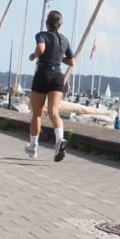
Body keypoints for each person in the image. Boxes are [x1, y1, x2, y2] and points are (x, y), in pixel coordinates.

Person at [25, 10, 75, 161]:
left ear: (47, 23)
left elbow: (41, 49)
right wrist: (59, 57)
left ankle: (33, 147)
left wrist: (34, 55)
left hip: (43, 74)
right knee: (54, 112)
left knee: (37, 113)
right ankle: (59, 140)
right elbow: (72, 62)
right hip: (58, 77)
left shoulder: (42, 35)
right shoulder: (64, 40)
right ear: (60, 25)